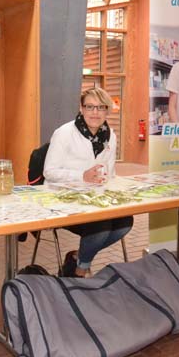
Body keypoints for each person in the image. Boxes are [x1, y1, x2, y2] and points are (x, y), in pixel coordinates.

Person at [43, 87, 133, 277]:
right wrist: (81, 176)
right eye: (90, 107)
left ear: (107, 110)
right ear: (81, 108)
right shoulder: (64, 133)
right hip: (63, 199)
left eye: (101, 107)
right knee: (101, 227)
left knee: (125, 222)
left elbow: (110, 173)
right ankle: (79, 271)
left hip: (94, 199)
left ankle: (77, 257)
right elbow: (49, 172)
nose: (95, 112)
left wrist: (118, 190)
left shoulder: (110, 135)